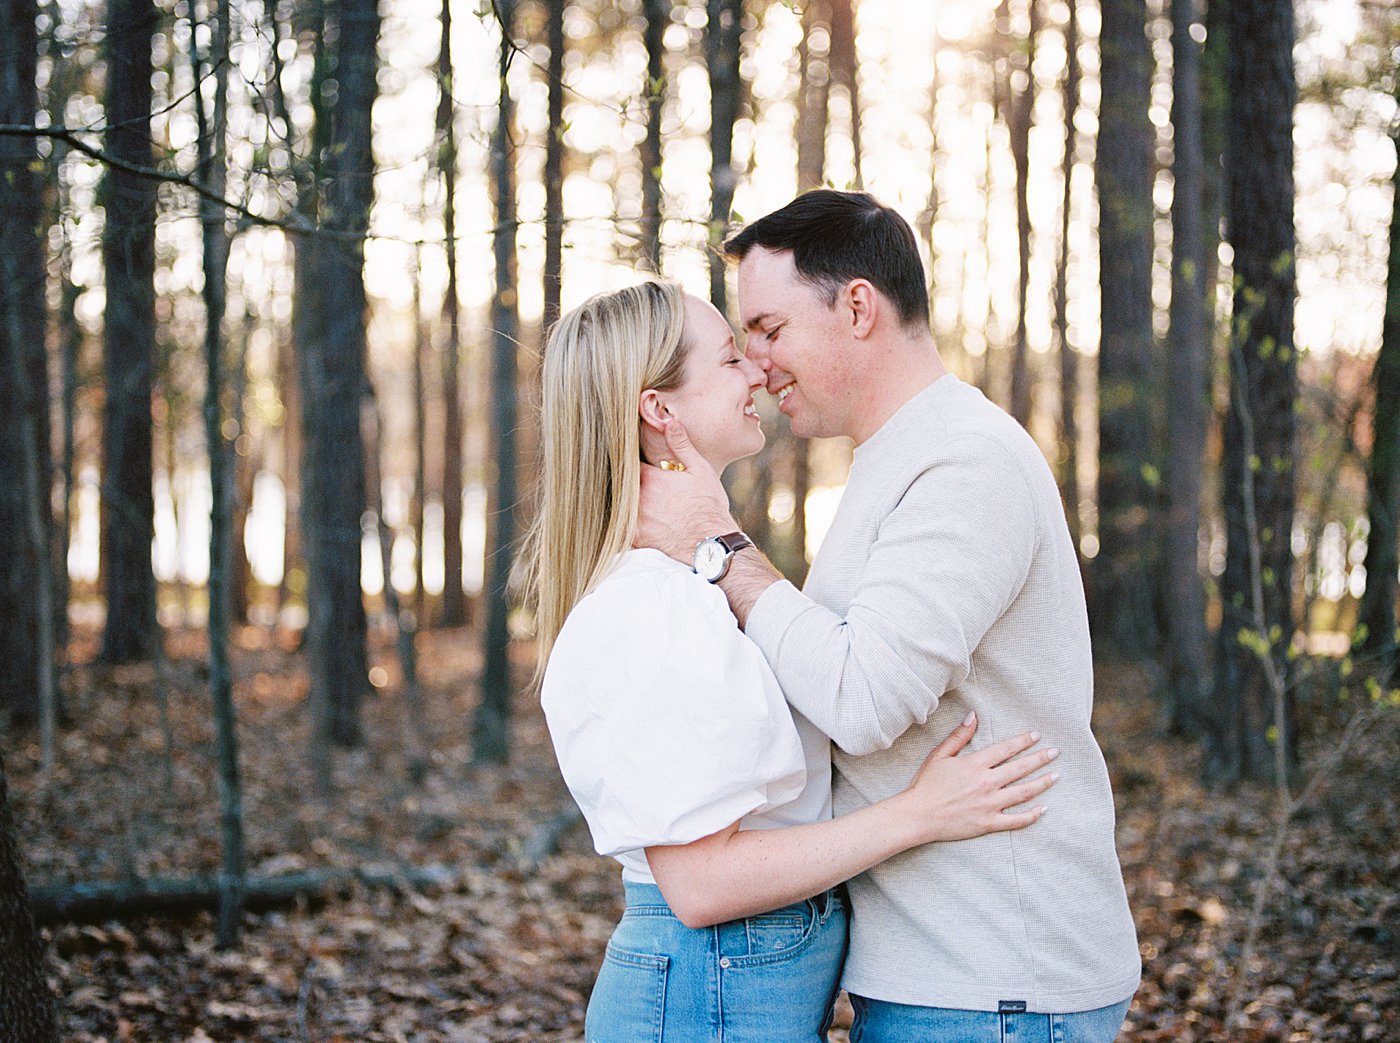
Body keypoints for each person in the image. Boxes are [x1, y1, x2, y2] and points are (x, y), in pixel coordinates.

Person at [634, 191, 1141, 1042]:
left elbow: (864, 697)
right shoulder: (900, 456)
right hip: (953, 972)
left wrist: (721, 546)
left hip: (995, 982)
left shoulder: (963, 464)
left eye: (768, 328)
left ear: (858, 306)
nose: (756, 365)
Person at [528, 280, 1061, 1041]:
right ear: (659, 410)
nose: (756, 371)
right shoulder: (649, 604)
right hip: (707, 989)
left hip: (737, 982)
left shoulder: (696, 579)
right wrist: (918, 814)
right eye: (727, 359)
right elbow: (702, 883)